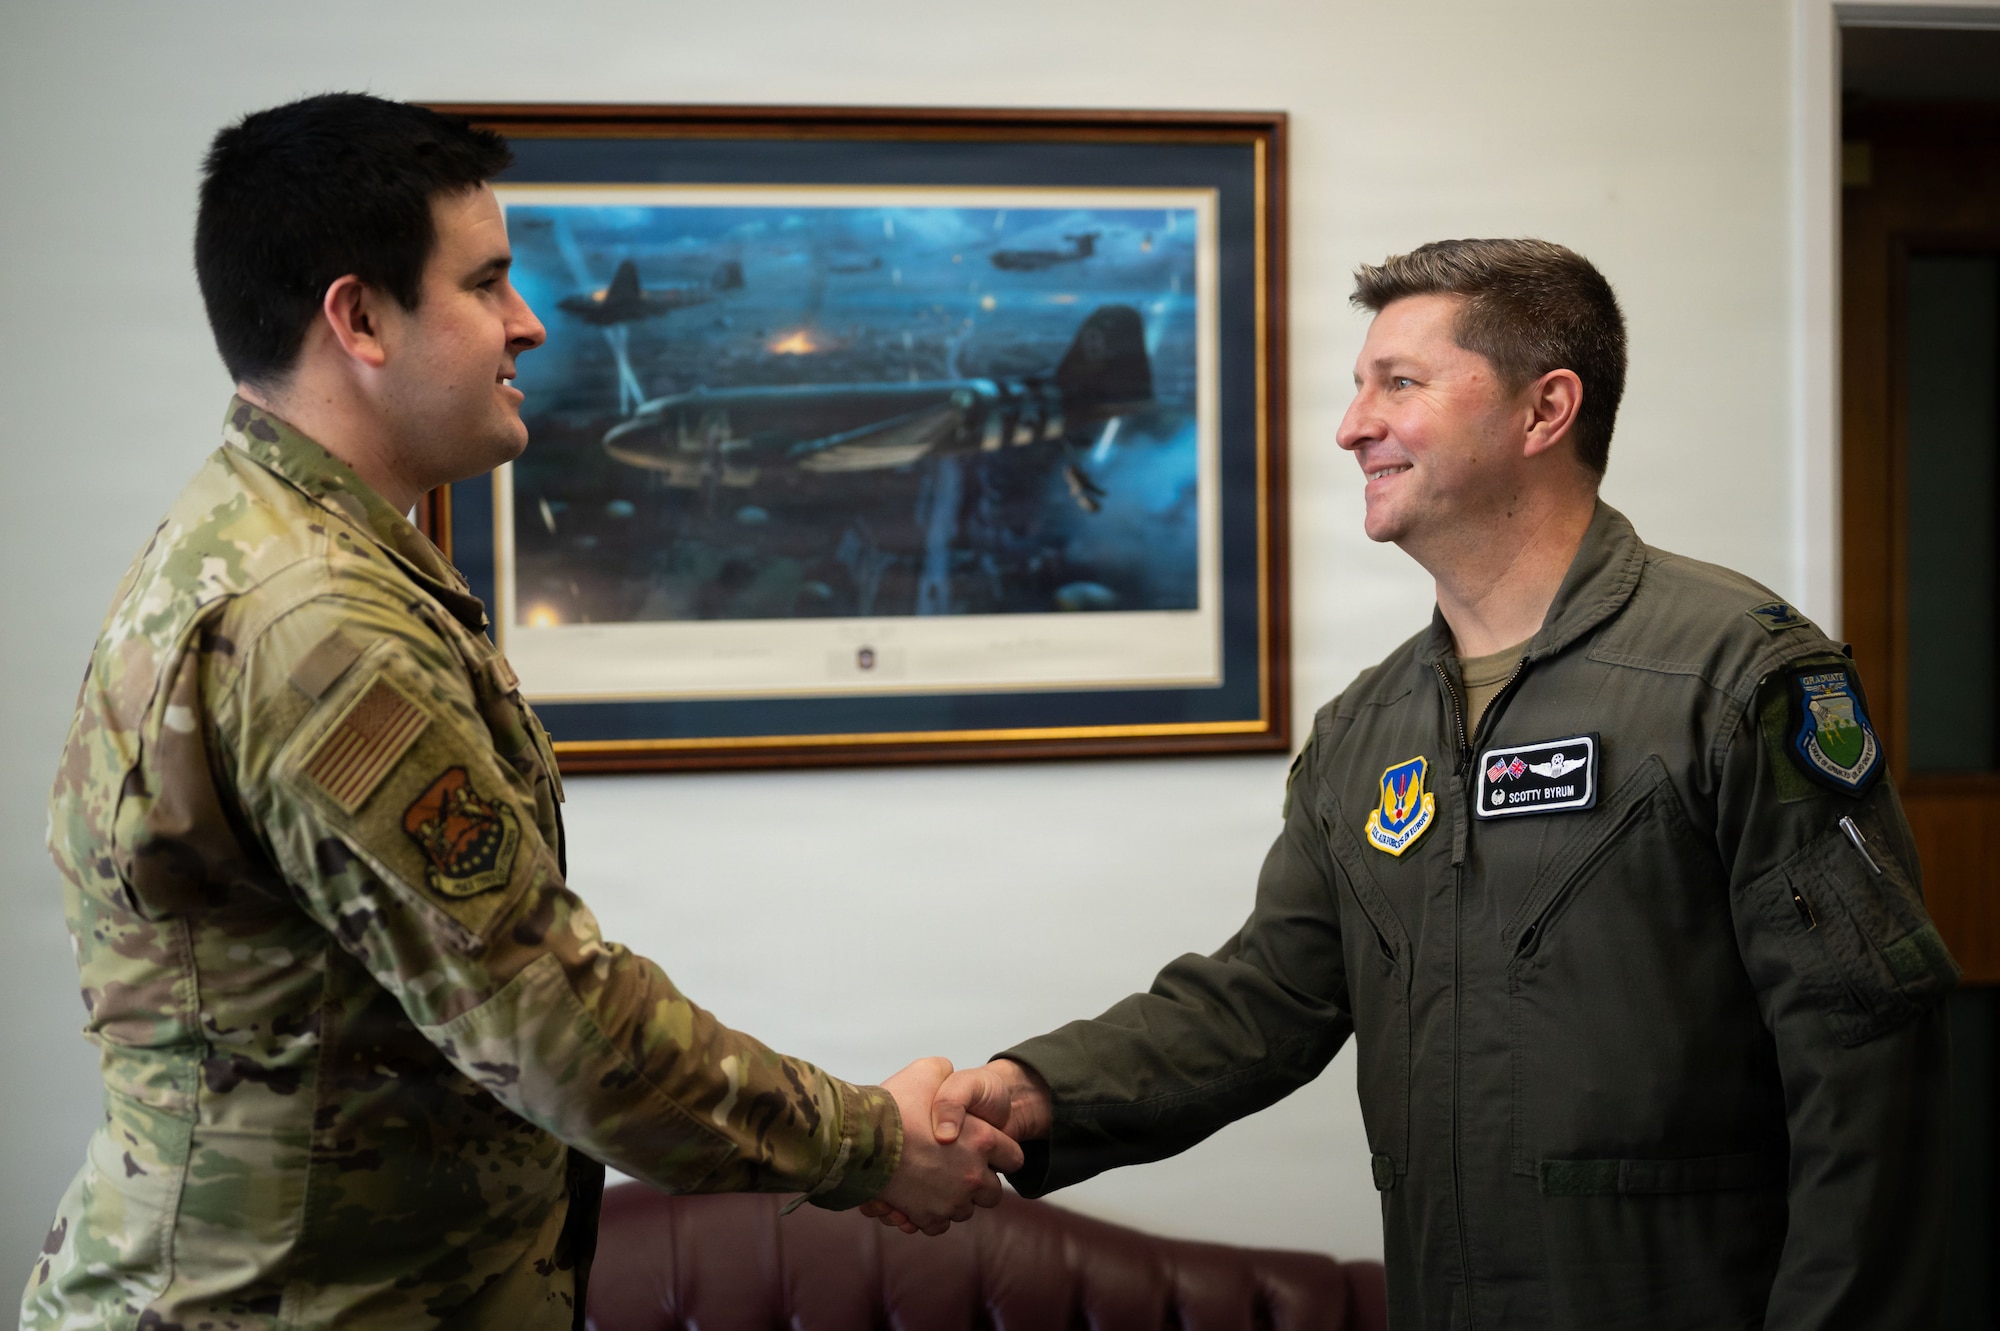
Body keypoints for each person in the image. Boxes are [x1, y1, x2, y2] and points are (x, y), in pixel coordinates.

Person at [22, 93, 1020, 1331]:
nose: (528, 322)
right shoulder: (316, 622)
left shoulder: (265, 547)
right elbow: (555, 1023)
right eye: (486, 282)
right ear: (361, 318)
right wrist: (872, 1140)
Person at [893, 239, 1959, 1328]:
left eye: (1396, 383)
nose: (1351, 425)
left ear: (1543, 411)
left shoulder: (1735, 673)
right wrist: (1030, 1090)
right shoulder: (1365, 728)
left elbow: (1867, 1063)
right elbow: (1260, 1002)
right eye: (1358, 387)